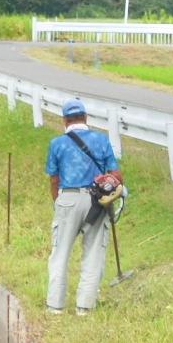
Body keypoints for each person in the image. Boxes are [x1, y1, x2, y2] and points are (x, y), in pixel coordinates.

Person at [45, 98, 125, 315]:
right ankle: (84, 308)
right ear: (86, 118)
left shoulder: (57, 144)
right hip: (97, 202)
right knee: (93, 255)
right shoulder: (101, 140)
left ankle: (55, 306)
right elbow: (116, 175)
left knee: (60, 253)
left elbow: (54, 179)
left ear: (64, 121)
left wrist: (58, 204)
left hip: (68, 198)